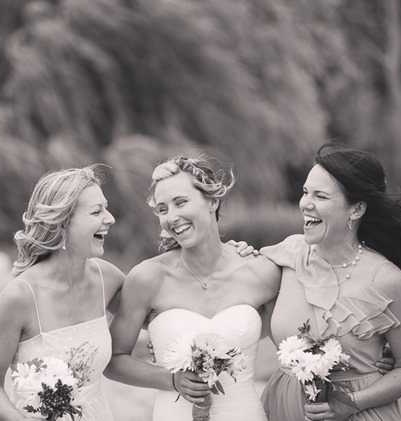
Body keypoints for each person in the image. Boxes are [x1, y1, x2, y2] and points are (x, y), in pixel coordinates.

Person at [105, 154, 282, 420]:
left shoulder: (261, 272)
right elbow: (113, 360)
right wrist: (171, 379)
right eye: (163, 209)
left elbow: (292, 338)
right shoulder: (147, 278)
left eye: (180, 202)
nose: (172, 217)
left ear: (212, 201)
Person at [260, 143, 401, 421]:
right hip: (283, 409)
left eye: (320, 196)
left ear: (357, 209)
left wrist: (350, 403)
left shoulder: (386, 279)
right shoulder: (288, 253)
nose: (305, 204)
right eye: (305, 192)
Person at [0, 165, 125, 421]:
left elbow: (155, 315)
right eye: (96, 211)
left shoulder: (108, 279)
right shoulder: (20, 297)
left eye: (106, 207)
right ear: (62, 223)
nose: (110, 218)